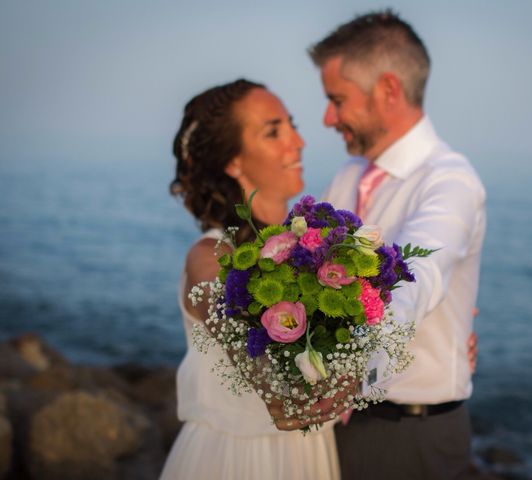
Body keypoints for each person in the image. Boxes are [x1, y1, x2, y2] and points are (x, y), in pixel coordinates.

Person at [309, 10, 487, 479]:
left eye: (337, 99)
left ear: (388, 89)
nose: (328, 117)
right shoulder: (347, 176)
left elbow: (417, 275)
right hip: (333, 424)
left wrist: (358, 361)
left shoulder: (449, 182)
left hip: (409, 437)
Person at [159, 79, 341, 480]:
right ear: (234, 161)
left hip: (311, 456)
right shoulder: (209, 257)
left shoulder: (318, 252)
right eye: (273, 131)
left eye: (291, 125)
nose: (298, 141)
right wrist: (278, 391)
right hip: (235, 460)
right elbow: (236, 335)